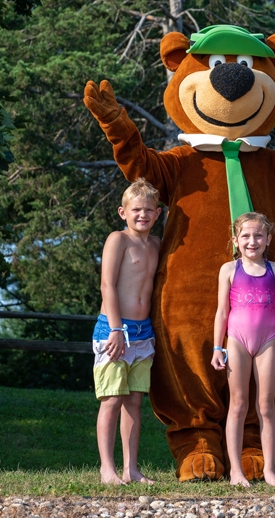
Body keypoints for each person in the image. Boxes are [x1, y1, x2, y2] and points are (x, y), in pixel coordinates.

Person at [211, 212, 275, 487]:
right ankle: (236, 471)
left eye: (258, 235)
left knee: (266, 407)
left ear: (268, 239)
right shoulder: (229, 270)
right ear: (235, 239)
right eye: (245, 235)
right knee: (238, 404)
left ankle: (269, 470)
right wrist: (216, 348)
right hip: (236, 341)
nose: (252, 241)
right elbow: (222, 312)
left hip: (268, 342)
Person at [94, 178, 163, 485]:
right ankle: (106, 468)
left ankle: (131, 469)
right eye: (136, 209)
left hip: (143, 331)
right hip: (113, 329)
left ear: (158, 213)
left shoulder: (157, 244)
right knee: (111, 398)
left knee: (134, 401)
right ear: (123, 212)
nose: (142, 215)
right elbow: (107, 284)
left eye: (149, 210)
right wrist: (115, 328)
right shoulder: (118, 240)